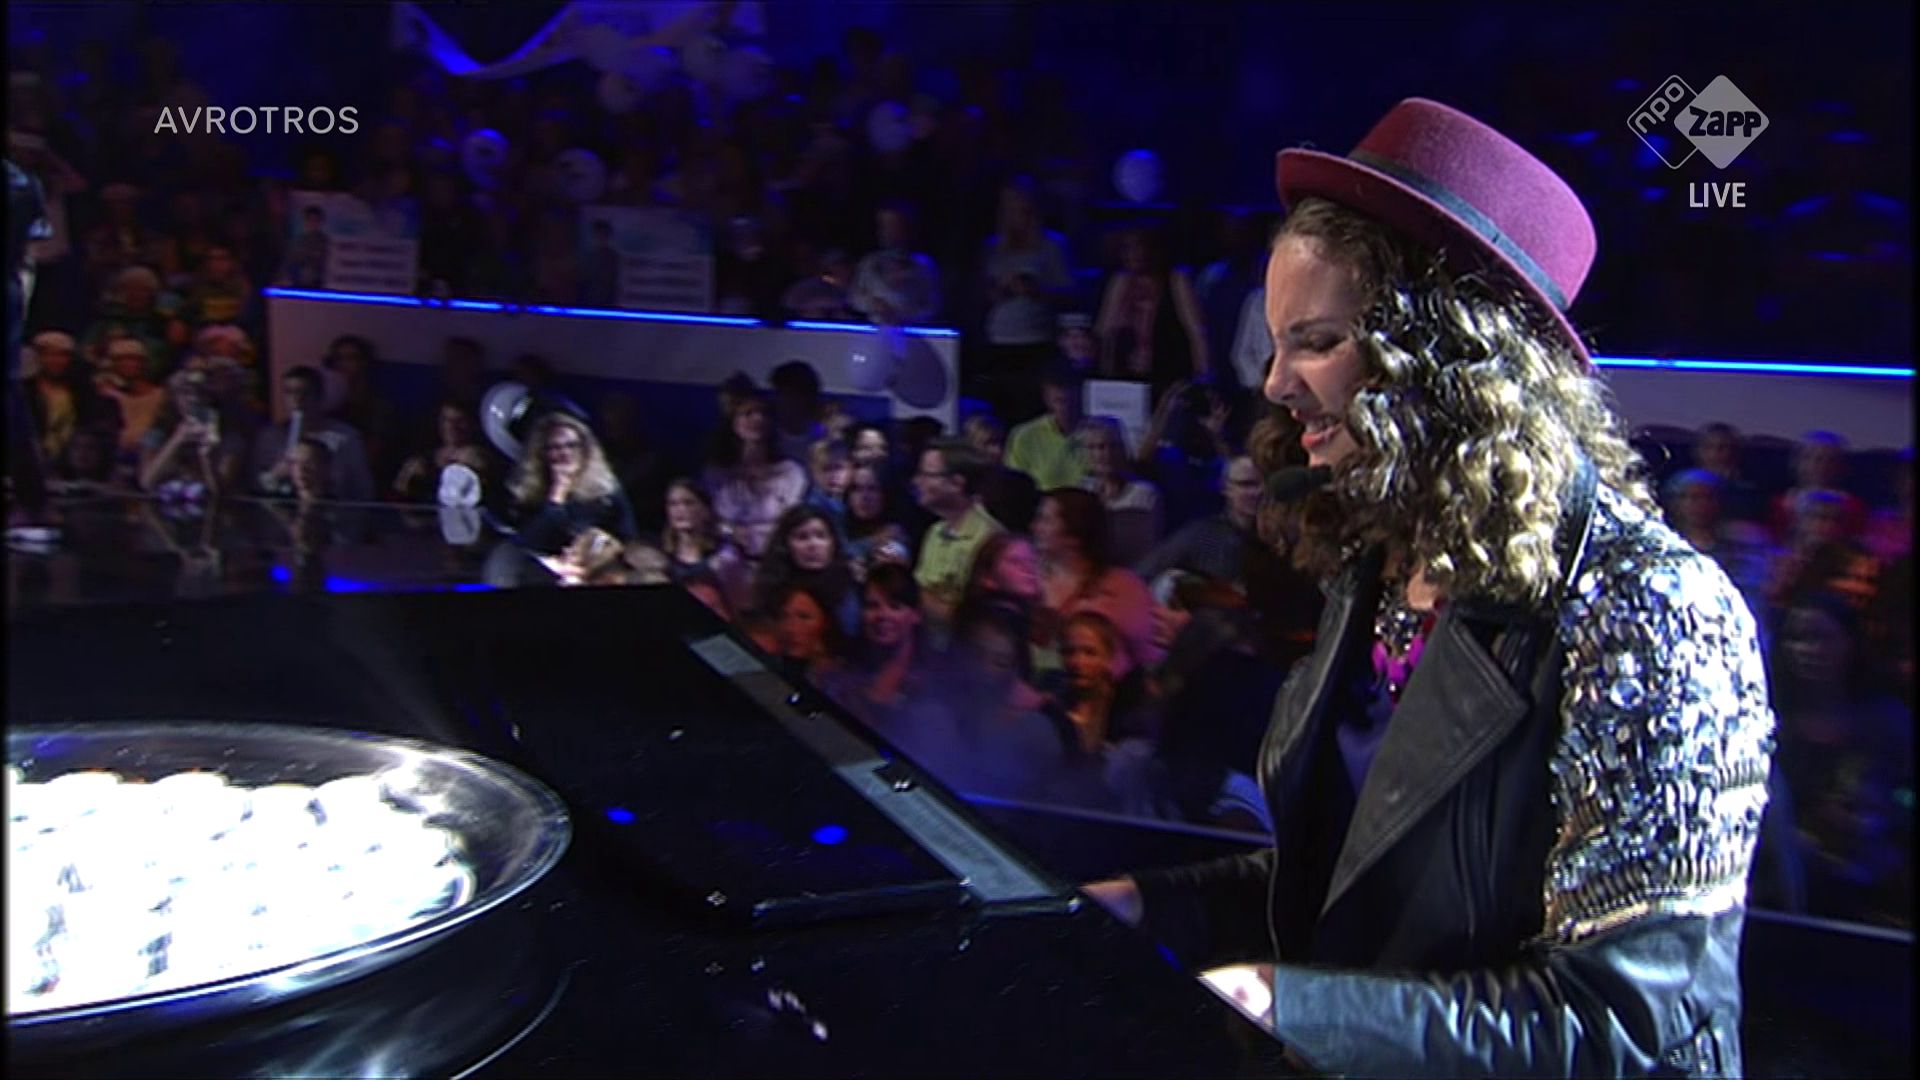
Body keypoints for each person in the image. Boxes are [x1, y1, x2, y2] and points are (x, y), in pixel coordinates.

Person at [1084, 99, 1772, 1077]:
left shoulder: (1653, 610)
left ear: (1449, 360)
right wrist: (1156, 907)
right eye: (1275, 345)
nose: (1275, 384)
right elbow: (1369, 880)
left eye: (1316, 341)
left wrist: (1306, 1011)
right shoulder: (1379, 563)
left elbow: (1624, 1022)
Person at [1034, 488, 1158, 675]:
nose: (1035, 527)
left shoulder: (1124, 588)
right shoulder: (1027, 578)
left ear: (1074, 535)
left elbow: (1147, 656)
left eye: (1046, 520)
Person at [1094, 225, 1209, 402]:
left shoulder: (1177, 280)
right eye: (1128, 248)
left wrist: (1204, 374)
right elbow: (1105, 332)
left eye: (1139, 247)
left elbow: (1197, 332)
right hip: (1128, 375)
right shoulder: (1121, 282)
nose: (1133, 254)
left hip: (1170, 371)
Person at [503, 412, 636, 556]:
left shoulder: (607, 491)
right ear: (542, 453)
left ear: (585, 449)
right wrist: (557, 494)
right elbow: (527, 542)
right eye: (555, 447)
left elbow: (626, 539)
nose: (565, 453)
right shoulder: (527, 490)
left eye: (572, 445)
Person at [702, 392, 810, 562]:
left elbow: (794, 519)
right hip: (727, 555)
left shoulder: (791, 472)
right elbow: (709, 520)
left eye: (764, 414)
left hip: (778, 555)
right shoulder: (717, 474)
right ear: (733, 422)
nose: (758, 419)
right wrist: (732, 532)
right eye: (748, 413)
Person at [910, 437, 1003, 628]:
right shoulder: (935, 532)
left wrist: (911, 591)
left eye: (926, 475)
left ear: (956, 483)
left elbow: (976, 620)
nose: (917, 481)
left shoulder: (989, 540)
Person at [249, 365, 374, 501]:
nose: (297, 399)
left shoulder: (345, 437)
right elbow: (256, 485)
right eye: (290, 392)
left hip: (334, 509)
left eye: (304, 393)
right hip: (282, 508)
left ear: (319, 396)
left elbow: (362, 488)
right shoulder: (269, 437)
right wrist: (277, 474)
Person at [752, 504, 860, 637]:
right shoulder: (772, 588)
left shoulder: (848, 584)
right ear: (785, 545)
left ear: (832, 543)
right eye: (802, 537)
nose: (813, 544)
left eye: (821, 536)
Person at [1076, 415, 1162, 563]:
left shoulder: (1144, 494)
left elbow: (1147, 549)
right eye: (1092, 447)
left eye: (1107, 446)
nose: (1101, 454)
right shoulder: (1084, 490)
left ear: (1121, 449)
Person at [660, 478, 753, 613]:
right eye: (673, 504)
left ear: (706, 510)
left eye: (689, 503)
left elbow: (741, 606)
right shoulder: (661, 555)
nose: (680, 510)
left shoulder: (726, 557)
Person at [849, 200, 941, 325]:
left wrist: (904, 316)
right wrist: (873, 304)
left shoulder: (924, 266)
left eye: (893, 225)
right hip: (875, 331)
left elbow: (933, 306)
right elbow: (855, 298)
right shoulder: (870, 263)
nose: (886, 232)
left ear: (907, 227)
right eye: (883, 226)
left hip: (912, 332)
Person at [392, 400, 498, 503]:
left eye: (459, 420)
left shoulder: (479, 458)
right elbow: (399, 495)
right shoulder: (425, 458)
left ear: (471, 423)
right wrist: (409, 479)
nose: (452, 426)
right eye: (446, 420)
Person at [1005, 361, 1087, 492]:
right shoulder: (1025, 436)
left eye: (1073, 401)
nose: (1067, 408)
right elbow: (1016, 486)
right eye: (1060, 401)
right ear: (1047, 400)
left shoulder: (1099, 433)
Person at [962, 414, 1040, 533]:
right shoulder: (960, 486)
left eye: (1001, 442)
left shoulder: (1021, 484)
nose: (997, 450)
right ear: (970, 446)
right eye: (988, 444)